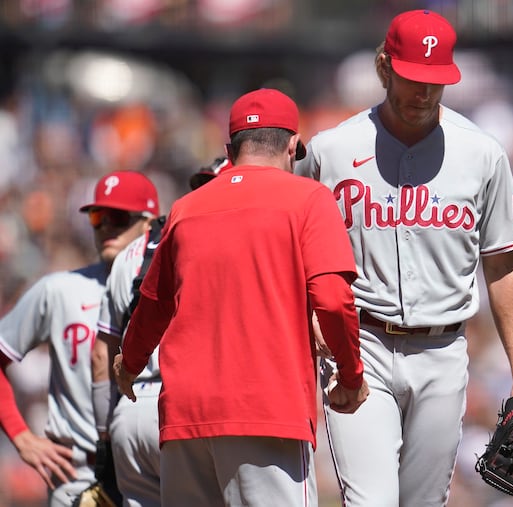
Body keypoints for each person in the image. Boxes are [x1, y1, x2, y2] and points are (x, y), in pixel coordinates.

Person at [295, 9, 513, 506]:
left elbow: (502, 262)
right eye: (411, 78)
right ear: (384, 67)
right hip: (359, 346)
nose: (423, 93)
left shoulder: (482, 153)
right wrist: (308, 311)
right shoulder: (332, 149)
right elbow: (292, 246)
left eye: (435, 81)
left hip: (444, 350)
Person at [113, 88, 369, 506]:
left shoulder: (186, 207)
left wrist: (131, 364)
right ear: (291, 146)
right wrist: (351, 374)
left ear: (230, 149)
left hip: (185, 417)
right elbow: (333, 299)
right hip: (268, 411)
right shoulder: (308, 198)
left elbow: (153, 304)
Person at [0, 170, 159, 506]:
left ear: (148, 224)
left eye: (117, 217)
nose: (105, 229)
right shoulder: (58, 290)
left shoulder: (169, 291)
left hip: (151, 469)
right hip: (77, 474)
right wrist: (21, 436)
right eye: (97, 218)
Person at [90, 157, 226, 507]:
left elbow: (102, 353)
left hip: (130, 414)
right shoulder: (220, 246)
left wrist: (105, 437)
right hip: (183, 409)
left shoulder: (129, 255)